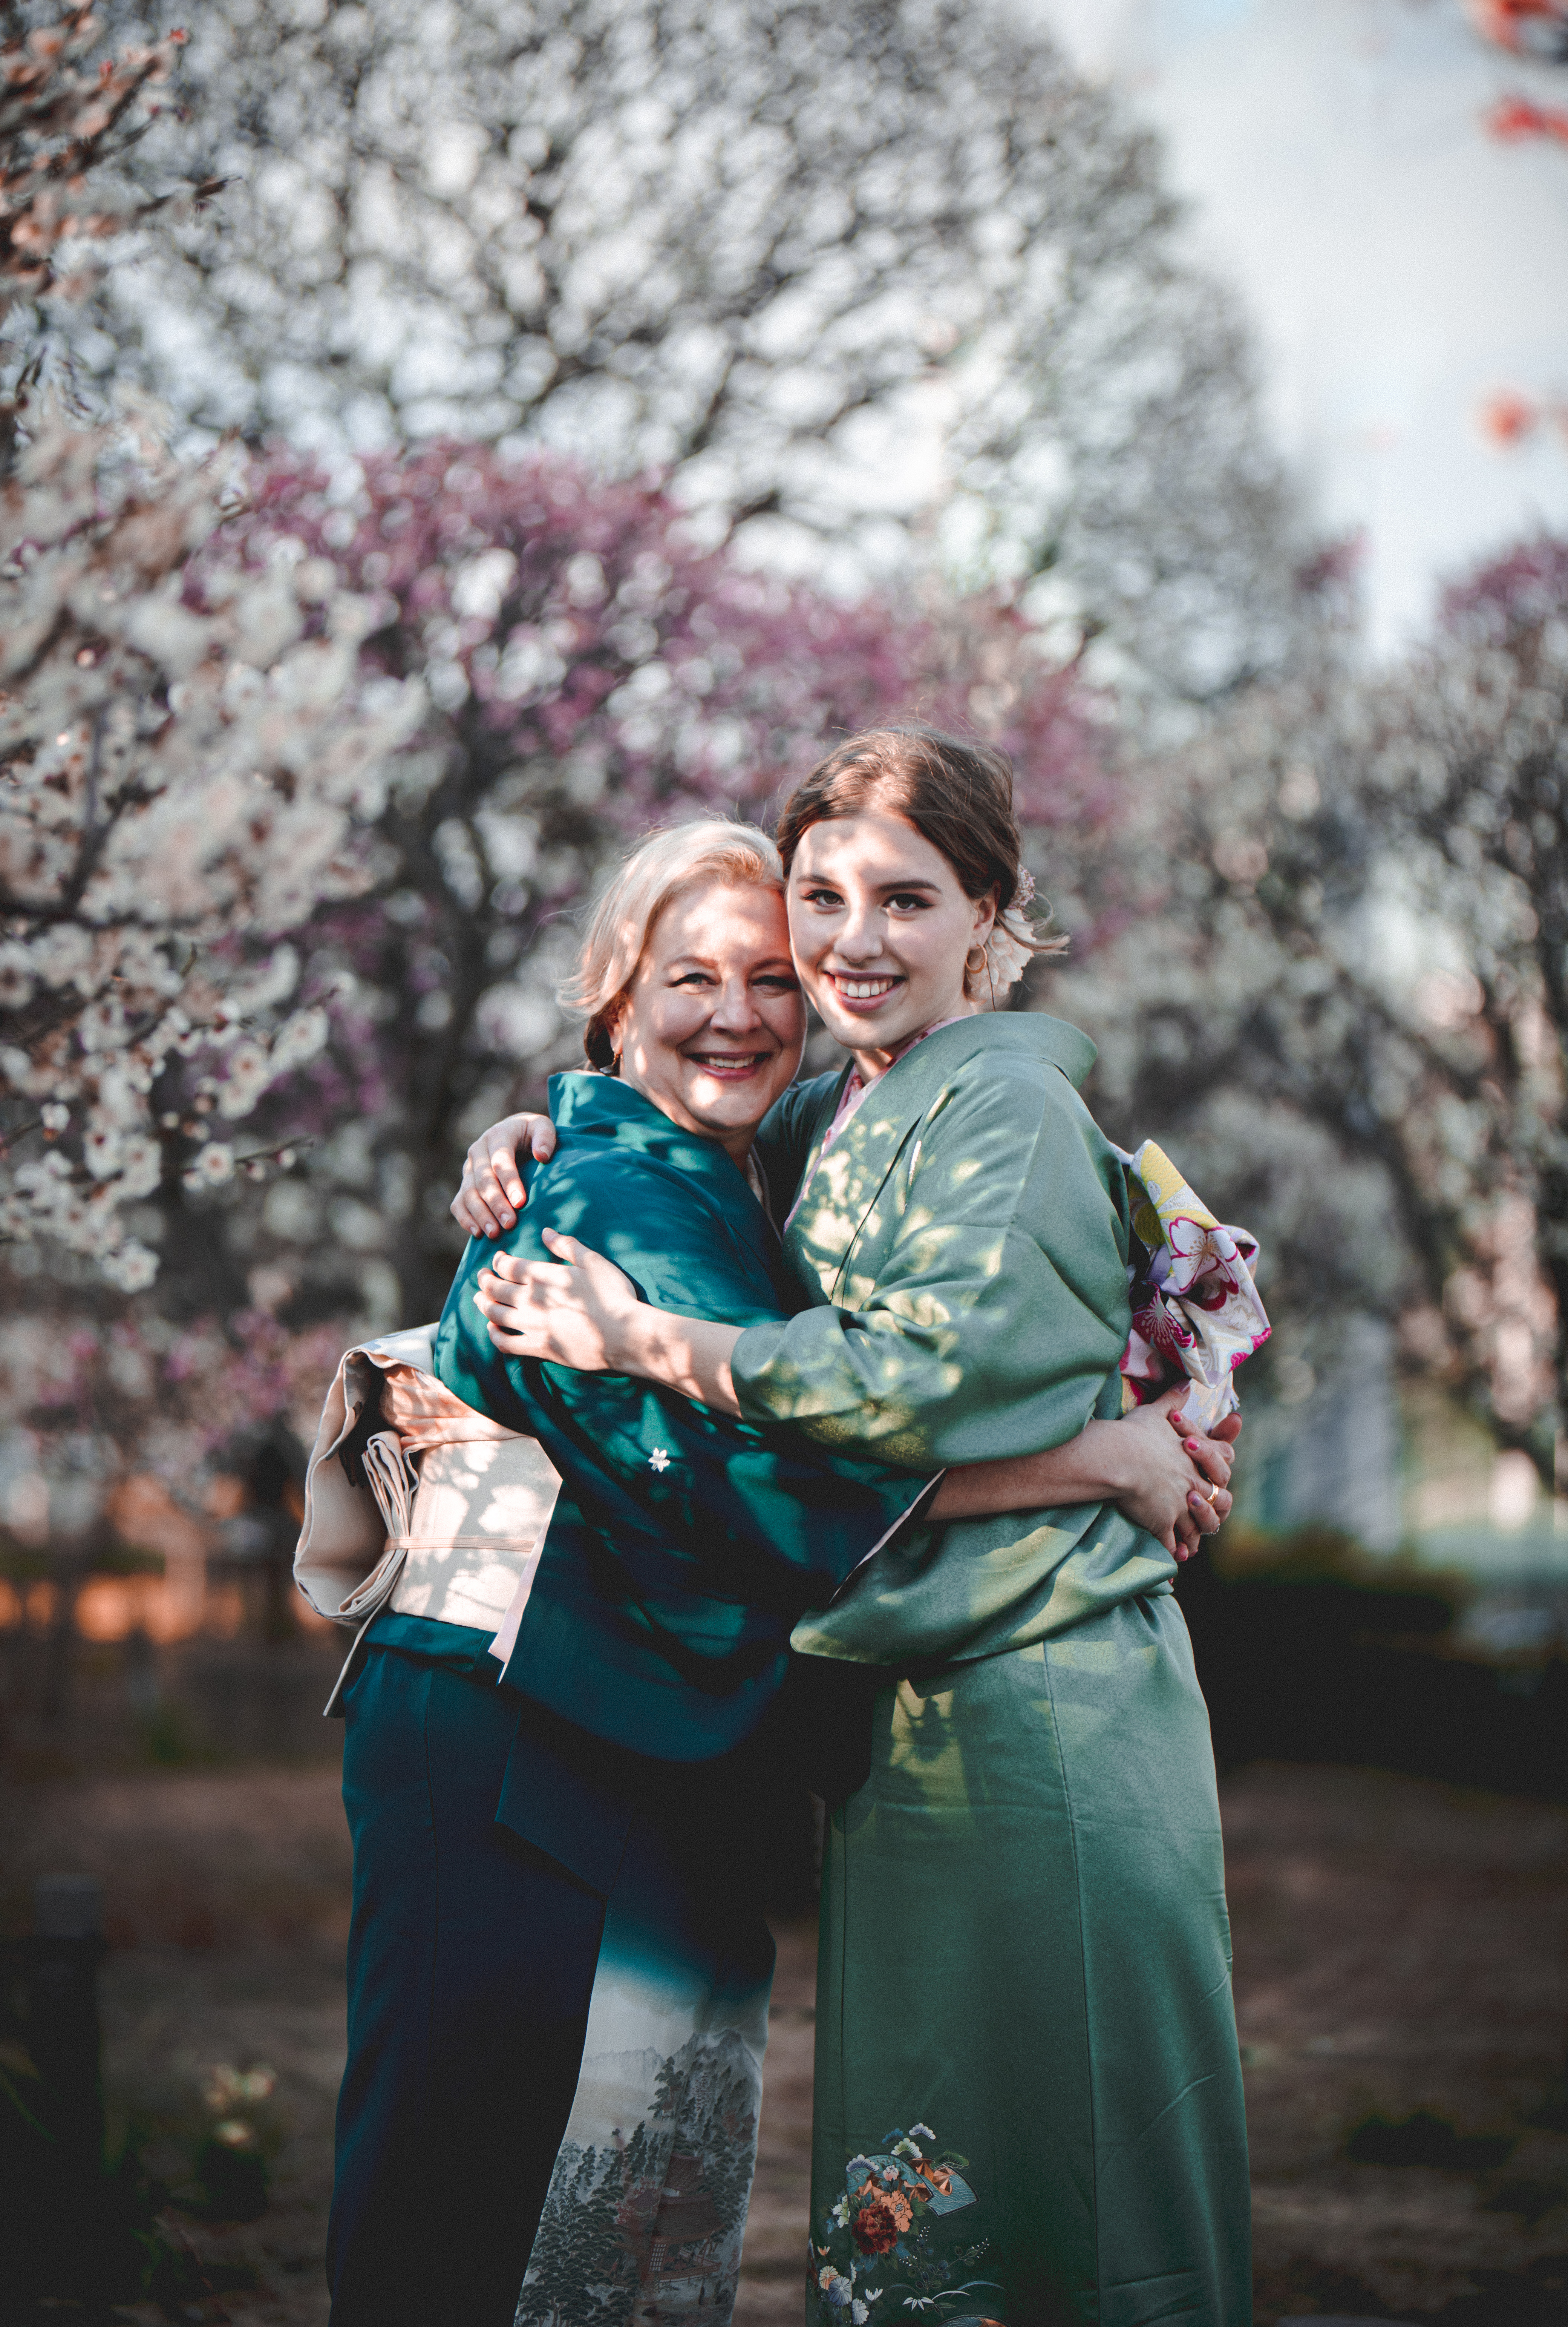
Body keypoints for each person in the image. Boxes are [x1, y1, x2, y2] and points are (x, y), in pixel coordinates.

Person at [306, 814, 1231, 2327]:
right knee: (470, 2208)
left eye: (767, 980)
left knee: (591, 2204)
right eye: (689, 978)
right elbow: (759, 1502)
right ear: (615, 995)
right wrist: (1096, 1464)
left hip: (597, 1722)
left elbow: (844, 1401)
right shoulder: (608, 1197)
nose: (736, 1013)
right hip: (501, 1723)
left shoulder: (749, 1178)